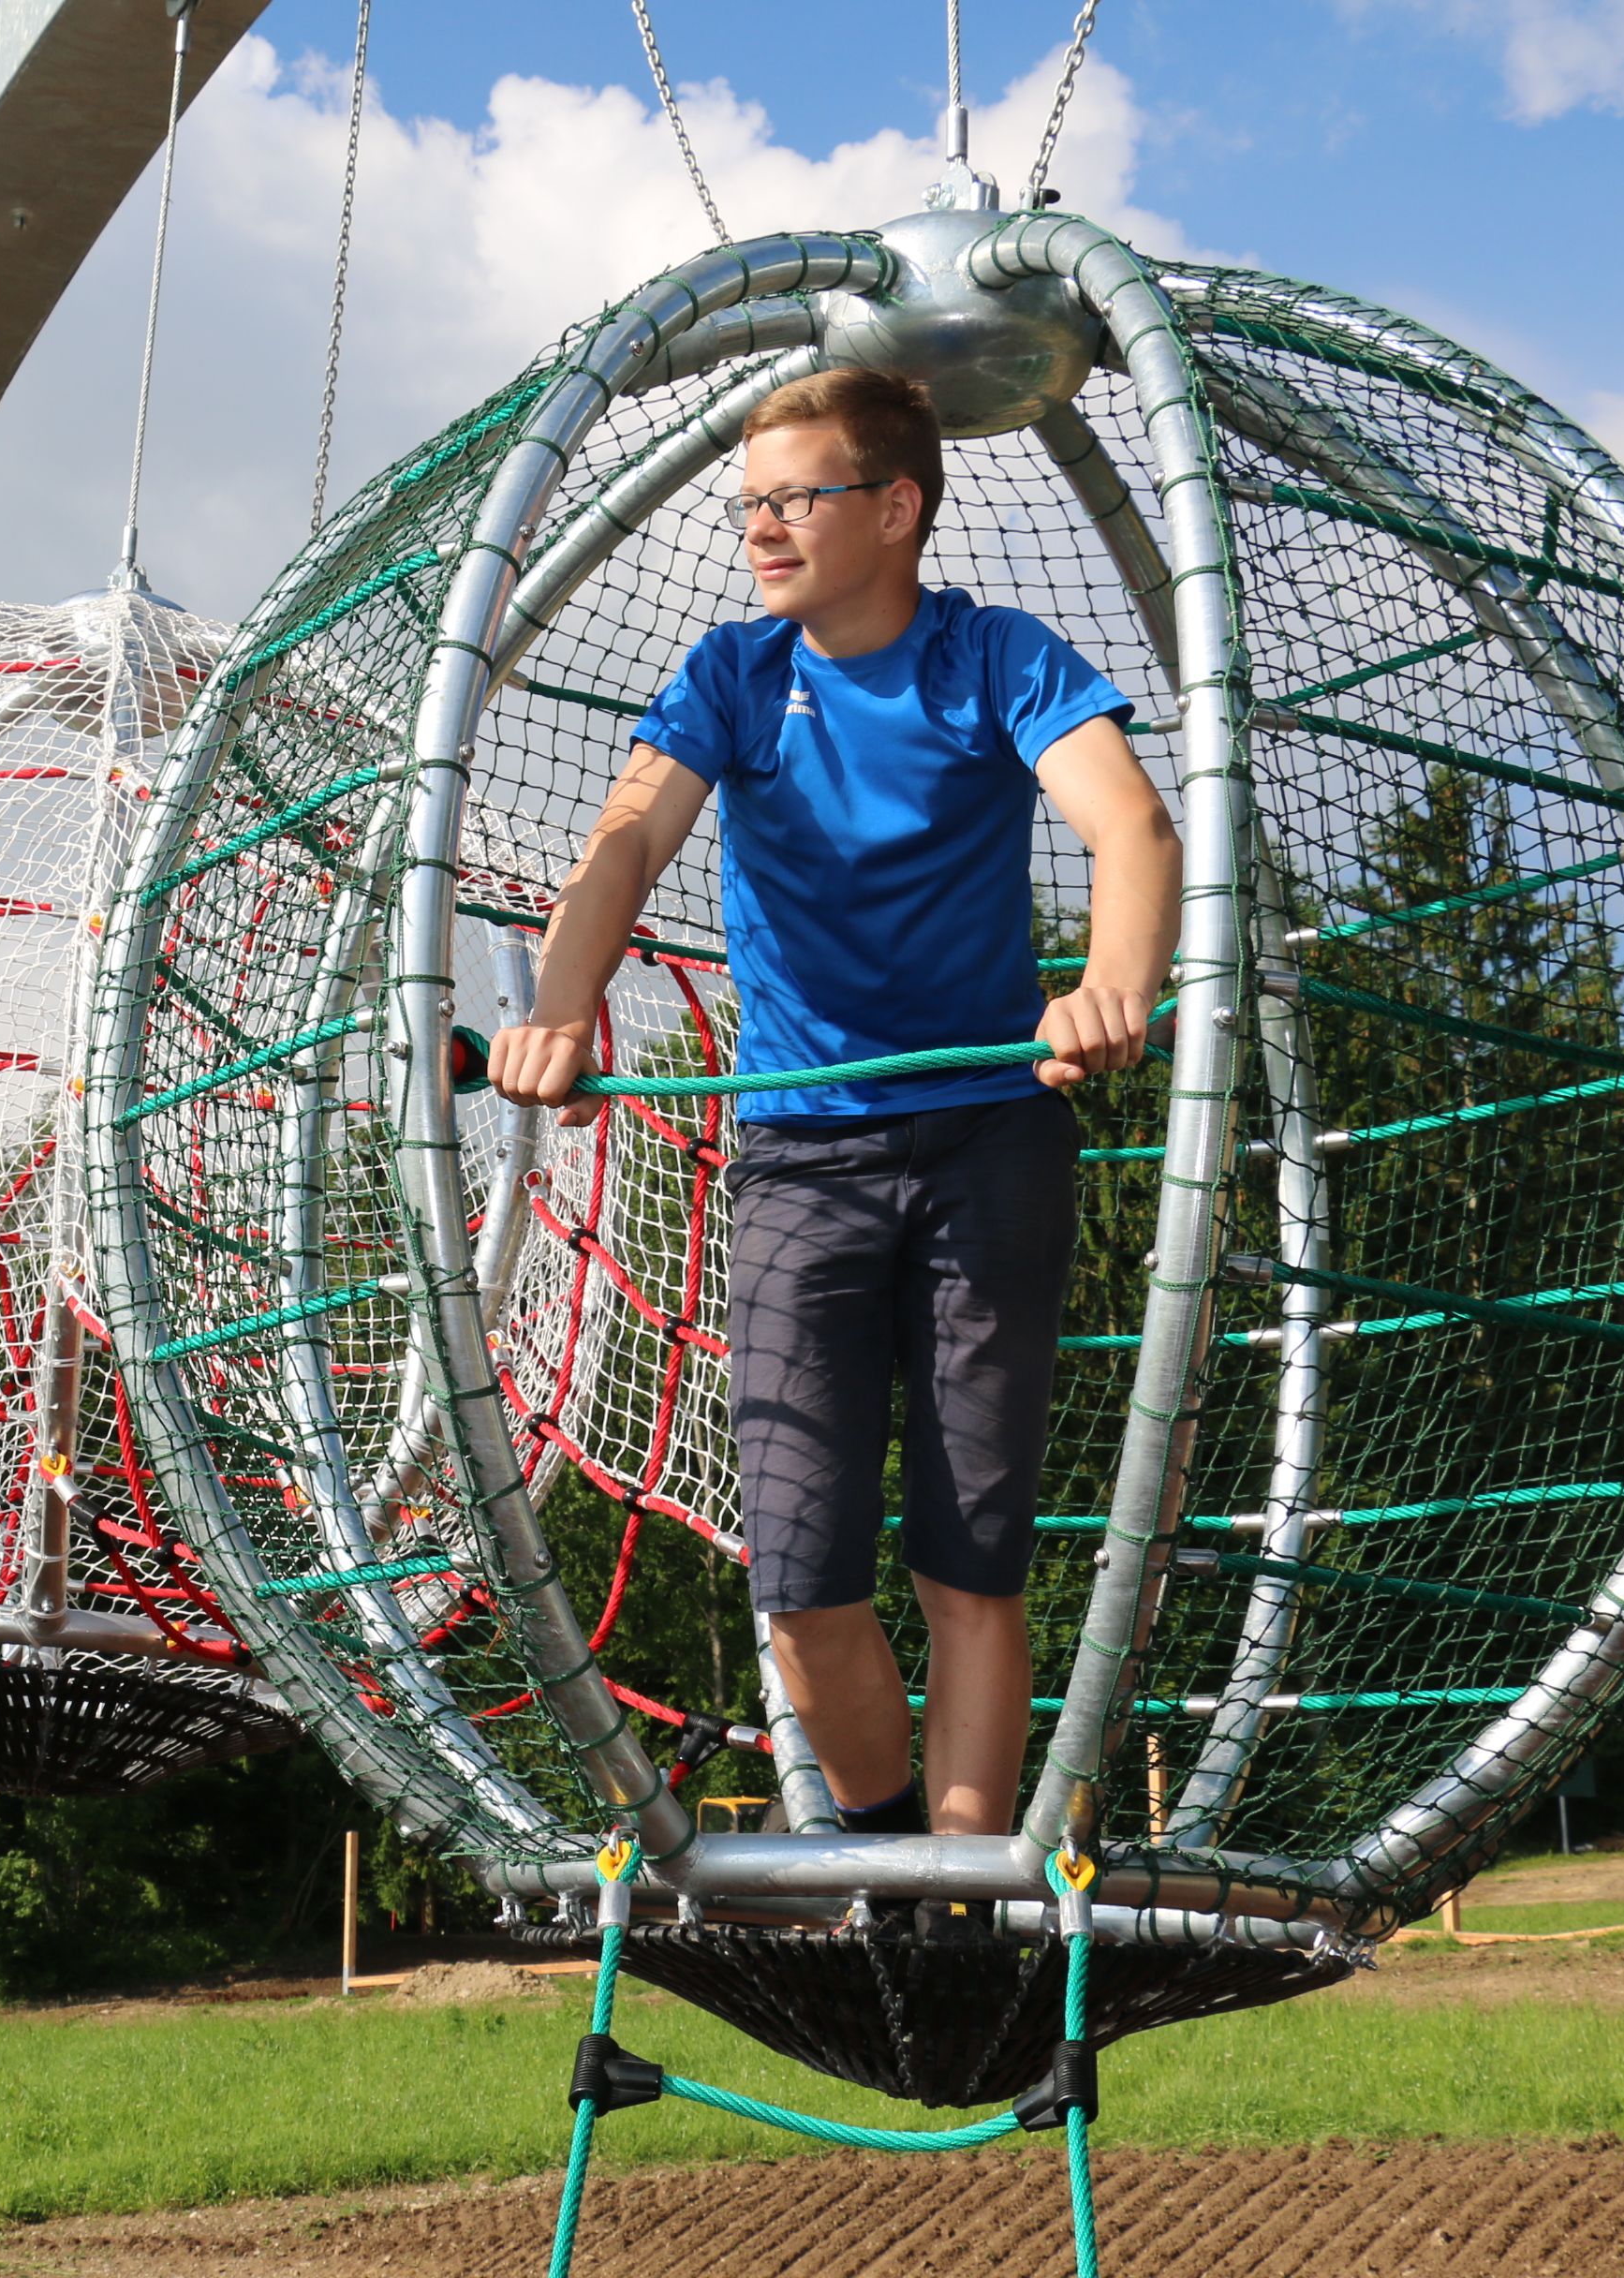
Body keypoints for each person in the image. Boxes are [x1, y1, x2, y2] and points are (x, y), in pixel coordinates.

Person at [488, 367, 1180, 1859]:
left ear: (895, 507)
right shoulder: (734, 675)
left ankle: (964, 1892)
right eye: (750, 504)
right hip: (802, 1162)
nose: (763, 528)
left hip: (991, 1144)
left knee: (969, 1564)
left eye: (796, 498)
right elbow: (625, 841)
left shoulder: (995, 658)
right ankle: (886, 1866)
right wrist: (559, 1010)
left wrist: (1108, 986)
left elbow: (1131, 824)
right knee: (799, 1581)